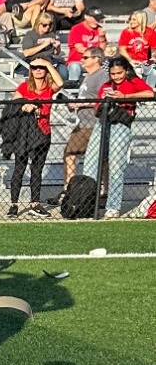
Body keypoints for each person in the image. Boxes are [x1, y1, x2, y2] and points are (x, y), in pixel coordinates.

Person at [81, 55, 154, 218]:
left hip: (121, 124)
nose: (116, 77)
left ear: (126, 70)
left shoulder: (133, 82)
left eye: (119, 73)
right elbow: (96, 107)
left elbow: (150, 93)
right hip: (103, 123)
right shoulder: (107, 85)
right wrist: (103, 103)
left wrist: (124, 97)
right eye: (113, 74)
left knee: (116, 167)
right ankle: (87, 204)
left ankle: (112, 207)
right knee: (91, 164)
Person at [2, 57, 59, 219]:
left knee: (37, 170)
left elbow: (60, 83)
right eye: (34, 67)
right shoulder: (24, 87)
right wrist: (26, 105)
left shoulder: (49, 88)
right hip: (25, 135)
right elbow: (14, 104)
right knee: (19, 168)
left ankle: (35, 203)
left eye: (41, 67)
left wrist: (48, 63)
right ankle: (14, 204)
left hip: (43, 132)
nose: (38, 70)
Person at [61, 49, 108, 188]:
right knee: (70, 154)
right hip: (83, 123)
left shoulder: (102, 76)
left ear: (96, 59)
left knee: (101, 159)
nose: (82, 60)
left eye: (85, 57)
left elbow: (105, 99)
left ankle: (104, 189)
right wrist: (75, 104)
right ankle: (69, 188)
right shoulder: (87, 76)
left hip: (94, 123)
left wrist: (81, 103)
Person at [117, 12, 155, 79]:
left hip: (144, 63)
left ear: (141, 20)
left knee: (153, 73)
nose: (131, 22)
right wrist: (131, 60)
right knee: (136, 72)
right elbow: (122, 50)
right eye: (131, 19)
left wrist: (153, 58)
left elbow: (153, 50)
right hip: (129, 62)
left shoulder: (150, 32)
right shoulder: (126, 32)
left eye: (134, 20)